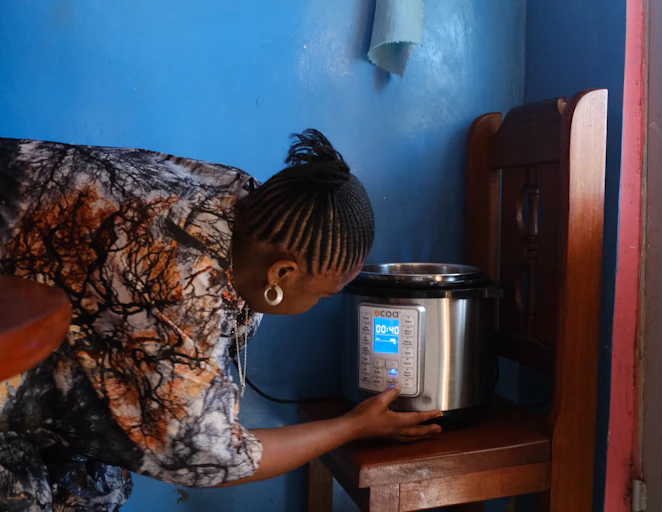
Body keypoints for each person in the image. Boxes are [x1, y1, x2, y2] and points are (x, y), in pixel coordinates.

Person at [0, 130, 441, 511]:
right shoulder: (182, 285)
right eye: (324, 294)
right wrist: (354, 425)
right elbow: (212, 456)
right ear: (282, 274)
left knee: (96, 487)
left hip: (26, 309)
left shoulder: (240, 196)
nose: (322, 303)